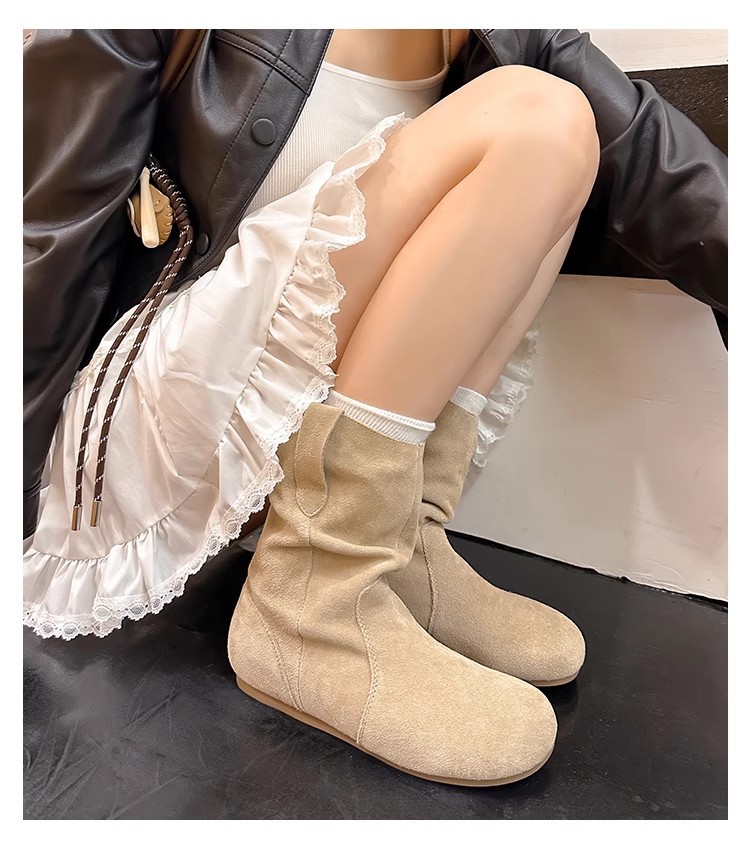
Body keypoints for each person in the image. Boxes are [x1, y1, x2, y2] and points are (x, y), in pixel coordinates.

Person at [23, 29, 728, 787]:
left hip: (275, 428)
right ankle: (312, 605)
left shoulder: (500, 29)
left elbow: (657, 163)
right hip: (151, 417)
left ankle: (396, 542)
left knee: (568, 140)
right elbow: (44, 236)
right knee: (536, 115)